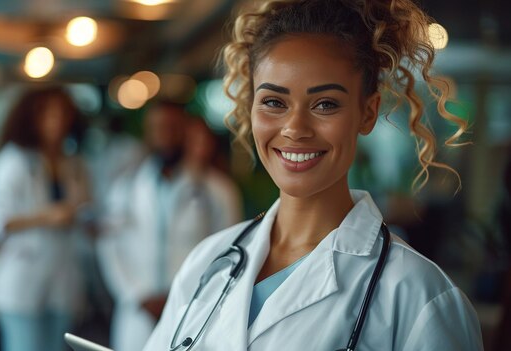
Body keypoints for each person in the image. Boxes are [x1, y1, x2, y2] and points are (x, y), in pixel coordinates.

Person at [144, 0, 484, 350]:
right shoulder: (208, 261)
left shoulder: (421, 296)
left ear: (367, 113)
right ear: (251, 106)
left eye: (325, 104)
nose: (295, 128)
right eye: (274, 102)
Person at [96, 102, 241, 351]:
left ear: (186, 131)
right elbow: (109, 246)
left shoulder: (217, 191)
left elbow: (233, 251)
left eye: (173, 128)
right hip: (137, 307)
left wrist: (187, 294)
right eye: (158, 128)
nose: (165, 135)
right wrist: (136, 295)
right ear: (147, 133)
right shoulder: (125, 188)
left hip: (193, 306)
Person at [0, 86, 91, 351]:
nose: (58, 122)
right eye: (50, 115)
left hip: (63, 279)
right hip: (22, 279)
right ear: (31, 118)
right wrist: (47, 217)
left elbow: (85, 207)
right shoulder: (13, 161)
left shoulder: (73, 164)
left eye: (63, 114)